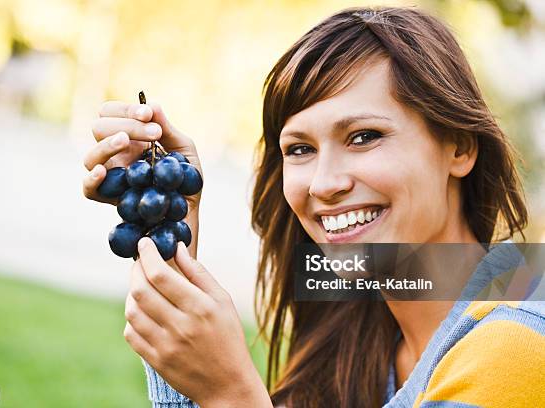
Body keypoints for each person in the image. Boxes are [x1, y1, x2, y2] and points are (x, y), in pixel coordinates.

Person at [82, 6, 545, 408]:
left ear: (459, 148)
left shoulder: (516, 344)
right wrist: (168, 235)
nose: (324, 184)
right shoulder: (359, 336)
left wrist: (230, 394)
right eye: (300, 149)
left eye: (364, 137)